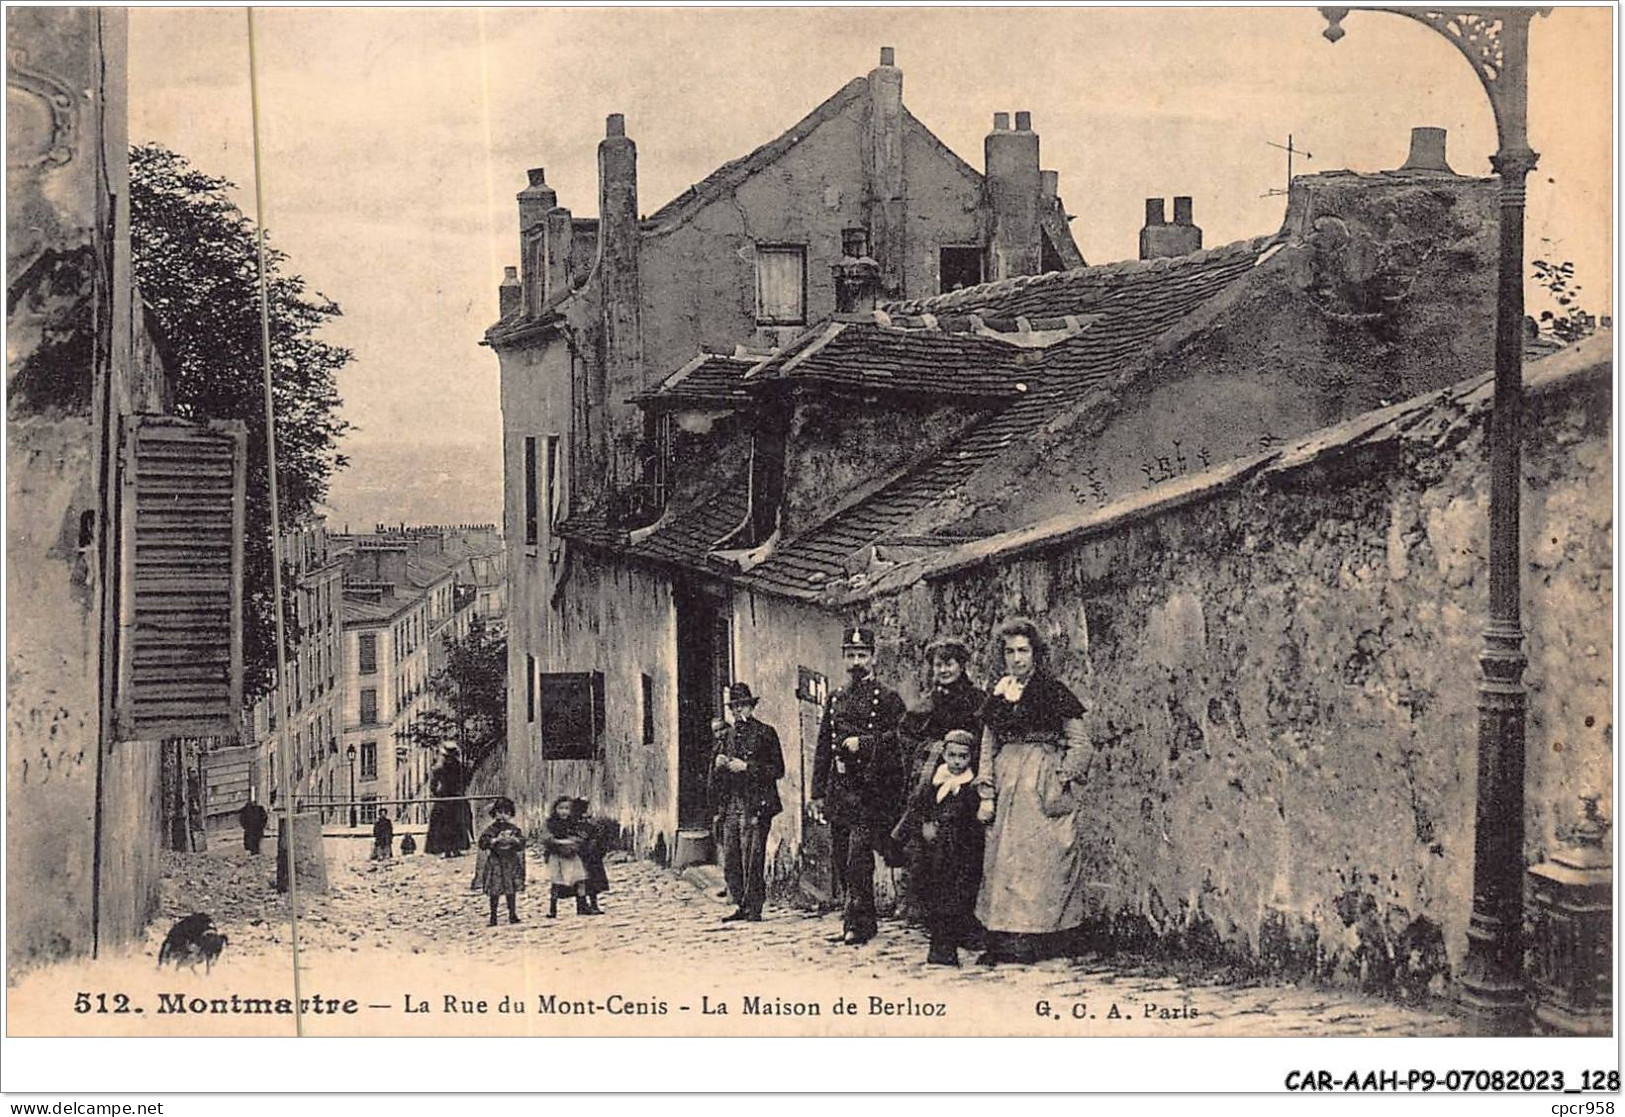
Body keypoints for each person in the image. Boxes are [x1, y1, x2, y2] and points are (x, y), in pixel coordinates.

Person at [974, 617, 1092, 966]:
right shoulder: (999, 694)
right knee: (1004, 864)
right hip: (1006, 780)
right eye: (1009, 652)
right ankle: (1008, 938)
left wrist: (1061, 777)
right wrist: (985, 791)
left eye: (1023, 650)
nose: (1016, 658)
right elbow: (987, 745)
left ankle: (1045, 938)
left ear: (1036, 654)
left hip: (1042, 786)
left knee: (1042, 863)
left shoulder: (1053, 691)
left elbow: (1081, 744)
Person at [810, 627, 908, 946]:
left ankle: (858, 923)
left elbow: (901, 739)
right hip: (840, 791)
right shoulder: (836, 697)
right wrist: (817, 793)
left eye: (862, 655)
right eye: (851, 655)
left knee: (858, 857)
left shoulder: (889, 698)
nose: (856, 662)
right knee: (841, 858)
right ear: (843, 658)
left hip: (870, 791)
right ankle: (856, 921)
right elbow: (824, 744)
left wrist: (865, 743)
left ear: (873, 657)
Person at [890, 729, 985, 966]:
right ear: (943, 754)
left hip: (959, 854)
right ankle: (944, 944)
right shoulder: (935, 781)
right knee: (931, 898)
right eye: (952, 755)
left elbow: (972, 824)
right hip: (931, 854)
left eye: (962, 757)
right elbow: (919, 807)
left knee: (953, 901)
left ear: (971, 758)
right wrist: (924, 825)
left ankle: (945, 951)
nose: (956, 762)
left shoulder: (970, 787)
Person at [709, 683, 785, 923]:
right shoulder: (728, 736)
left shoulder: (766, 733)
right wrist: (719, 764)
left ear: (752, 707)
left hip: (757, 804)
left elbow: (778, 769)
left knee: (753, 858)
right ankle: (740, 903)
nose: (738, 711)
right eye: (734, 707)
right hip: (733, 804)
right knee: (732, 856)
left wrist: (747, 767)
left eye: (742, 705)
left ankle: (754, 907)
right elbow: (717, 777)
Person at [898, 638, 987, 789]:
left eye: (949, 664)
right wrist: (933, 750)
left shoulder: (978, 699)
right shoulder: (926, 703)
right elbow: (906, 735)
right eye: (938, 665)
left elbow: (985, 739)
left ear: (961, 666)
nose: (943, 670)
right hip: (933, 777)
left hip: (969, 773)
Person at [472, 796, 527, 926]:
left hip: (510, 862)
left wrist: (514, 841)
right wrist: (494, 841)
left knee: (511, 889)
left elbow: (522, 843)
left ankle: (512, 914)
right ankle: (493, 916)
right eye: (500, 812)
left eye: (507, 813)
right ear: (494, 813)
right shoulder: (491, 829)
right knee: (494, 890)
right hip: (495, 862)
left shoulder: (514, 829)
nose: (503, 816)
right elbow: (482, 843)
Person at [540, 795, 593, 918]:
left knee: (580, 879)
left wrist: (573, 841)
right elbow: (545, 838)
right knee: (556, 881)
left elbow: (581, 837)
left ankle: (581, 906)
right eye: (561, 808)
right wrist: (558, 842)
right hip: (557, 856)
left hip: (572, 855)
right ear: (555, 809)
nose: (564, 811)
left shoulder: (574, 823)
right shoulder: (550, 823)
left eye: (567, 808)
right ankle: (552, 909)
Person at [425, 743, 473, 857]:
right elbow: (466, 782)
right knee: (458, 824)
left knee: (443, 825)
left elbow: (432, 787)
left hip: (444, 799)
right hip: (456, 798)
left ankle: (446, 850)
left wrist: (438, 794)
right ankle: (456, 849)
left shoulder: (439, 769)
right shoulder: (462, 767)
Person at [571, 797, 609, 914]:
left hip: (592, 857)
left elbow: (599, 835)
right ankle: (583, 906)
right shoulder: (574, 824)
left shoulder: (589, 822)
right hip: (582, 857)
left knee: (592, 883)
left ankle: (590, 905)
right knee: (582, 882)